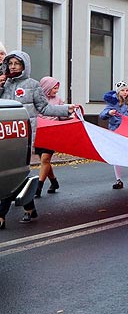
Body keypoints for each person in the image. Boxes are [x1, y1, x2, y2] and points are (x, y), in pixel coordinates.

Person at [0, 51, 76, 225]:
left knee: (13, 173)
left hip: (23, 138)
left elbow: (45, 108)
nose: (12, 67)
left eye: (16, 64)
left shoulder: (33, 85)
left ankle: (2, 214)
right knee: (12, 175)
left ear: (24, 66)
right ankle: (30, 208)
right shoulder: (4, 84)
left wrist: (66, 109)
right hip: (4, 137)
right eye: (10, 63)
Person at [34, 76, 69, 197]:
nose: (56, 91)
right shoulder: (37, 99)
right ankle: (54, 182)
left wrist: (70, 113)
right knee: (45, 162)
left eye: (57, 88)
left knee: (45, 160)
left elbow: (63, 116)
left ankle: (38, 188)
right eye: (54, 88)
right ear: (47, 87)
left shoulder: (58, 100)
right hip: (39, 133)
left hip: (52, 133)